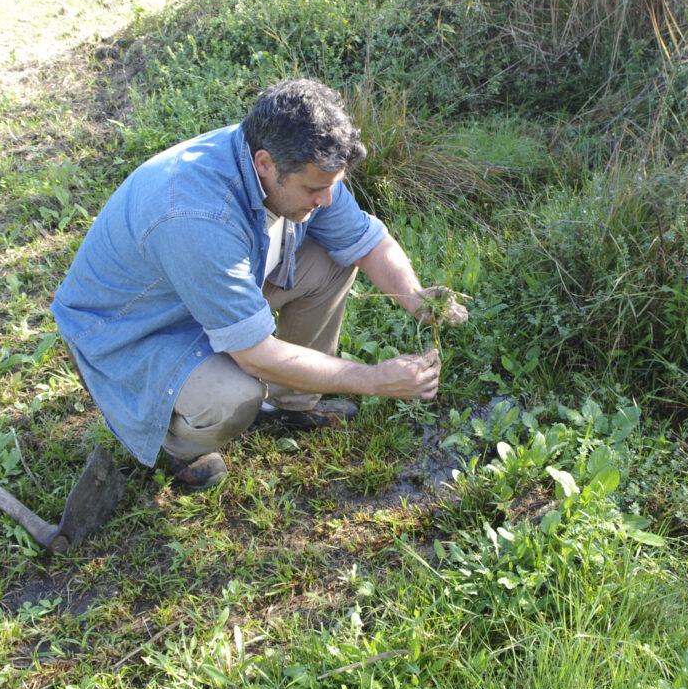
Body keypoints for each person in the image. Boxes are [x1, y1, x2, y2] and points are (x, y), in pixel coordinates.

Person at [51, 78, 468, 489]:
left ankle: (288, 404)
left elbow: (366, 241)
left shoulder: (292, 162)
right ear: (266, 164)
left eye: (331, 187)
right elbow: (256, 356)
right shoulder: (198, 216)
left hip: (197, 289)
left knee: (331, 262)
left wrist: (416, 297)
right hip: (132, 327)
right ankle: (178, 443)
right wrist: (373, 379)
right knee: (234, 393)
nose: (326, 200)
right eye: (314, 189)